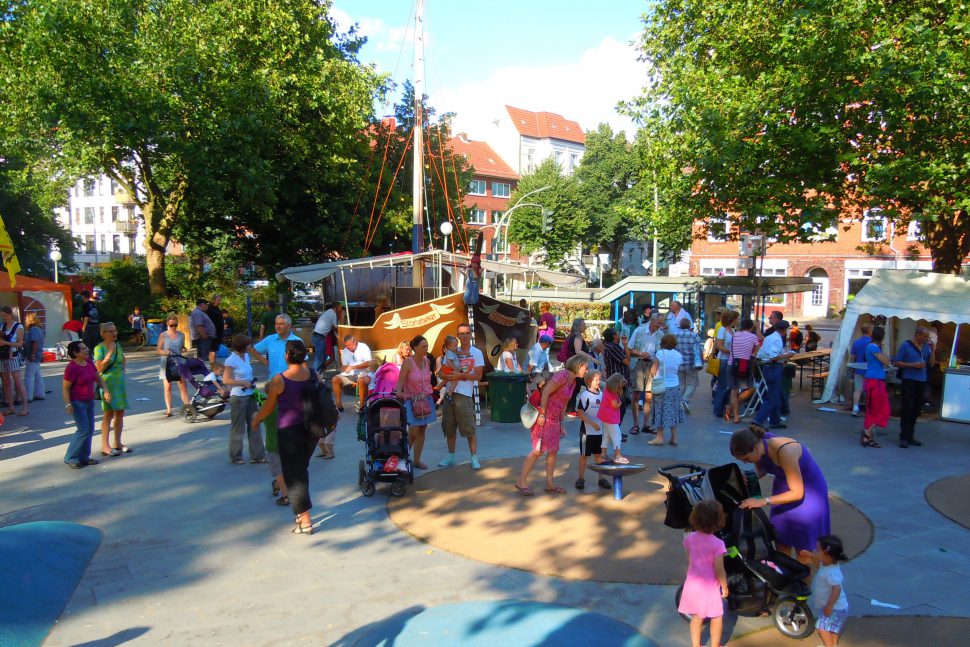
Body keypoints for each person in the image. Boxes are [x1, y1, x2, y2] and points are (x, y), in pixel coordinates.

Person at [732, 424, 831, 561]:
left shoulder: (785, 451)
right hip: (783, 486)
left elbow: (797, 493)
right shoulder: (758, 445)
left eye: (746, 459)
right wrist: (749, 477)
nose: (745, 463)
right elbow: (761, 470)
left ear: (754, 448)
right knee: (781, 539)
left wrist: (762, 501)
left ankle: (802, 581)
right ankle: (785, 577)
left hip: (808, 492)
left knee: (802, 551)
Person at [252, 340, 317, 536]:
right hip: (311, 431)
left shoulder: (280, 380)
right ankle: (301, 513)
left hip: (290, 432)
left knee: (294, 477)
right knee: (300, 470)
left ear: (287, 356)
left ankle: (305, 520)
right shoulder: (313, 375)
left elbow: (269, 406)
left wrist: (256, 419)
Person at [515, 353, 589, 495]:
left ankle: (550, 484)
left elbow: (564, 403)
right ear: (579, 366)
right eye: (585, 367)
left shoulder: (573, 382)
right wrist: (542, 414)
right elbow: (546, 393)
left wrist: (561, 423)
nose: (586, 370)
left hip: (554, 419)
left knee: (553, 451)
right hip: (544, 417)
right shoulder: (562, 376)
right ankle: (521, 481)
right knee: (538, 450)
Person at [251, 313, 304, 504]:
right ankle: (283, 480)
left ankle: (284, 486)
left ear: (289, 325)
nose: (278, 326)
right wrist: (266, 363)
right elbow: (253, 349)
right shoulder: (270, 340)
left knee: (278, 432)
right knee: (277, 423)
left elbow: (302, 364)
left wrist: (257, 419)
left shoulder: (296, 341)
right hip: (273, 384)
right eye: (276, 323)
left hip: (290, 385)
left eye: (281, 323)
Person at [677, 499, 729, 647]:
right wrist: (724, 586)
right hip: (710, 586)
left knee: (697, 618)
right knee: (717, 616)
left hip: (692, 583)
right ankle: (715, 645)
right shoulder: (718, 544)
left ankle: (696, 645)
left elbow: (690, 559)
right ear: (718, 520)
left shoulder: (689, 539)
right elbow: (719, 569)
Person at [438, 323, 485, 470]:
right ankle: (450, 456)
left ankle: (474, 457)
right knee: (449, 427)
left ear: (470, 334)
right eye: (461, 333)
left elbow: (478, 376)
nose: (464, 336)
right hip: (449, 394)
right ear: (457, 336)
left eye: (466, 333)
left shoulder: (476, 353)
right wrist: (444, 375)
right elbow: (440, 372)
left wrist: (459, 375)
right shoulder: (452, 351)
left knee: (469, 428)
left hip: (464, 395)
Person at [62, 340, 109, 468]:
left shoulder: (88, 363)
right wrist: (68, 404)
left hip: (89, 401)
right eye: (83, 349)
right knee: (83, 430)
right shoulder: (71, 368)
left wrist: (105, 390)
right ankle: (70, 457)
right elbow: (66, 388)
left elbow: (97, 377)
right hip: (77, 402)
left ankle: (83, 457)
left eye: (86, 347)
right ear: (75, 353)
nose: (87, 350)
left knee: (90, 430)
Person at [223, 333, 267, 464]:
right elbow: (226, 379)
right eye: (248, 345)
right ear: (241, 347)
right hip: (238, 396)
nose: (250, 347)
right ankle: (236, 456)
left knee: (255, 424)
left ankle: (257, 455)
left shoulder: (246, 356)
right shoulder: (231, 360)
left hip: (250, 394)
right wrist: (242, 383)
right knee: (238, 427)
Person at [395, 335, 435, 470]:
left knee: (422, 429)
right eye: (423, 346)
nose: (426, 348)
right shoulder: (408, 363)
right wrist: (398, 392)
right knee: (412, 432)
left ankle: (416, 460)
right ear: (415, 348)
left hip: (425, 399)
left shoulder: (427, 361)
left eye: (427, 346)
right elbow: (400, 381)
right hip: (411, 400)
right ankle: (402, 458)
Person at [892, 326, 932, 449]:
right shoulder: (906, 346)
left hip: (921, 380)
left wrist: (933, 349)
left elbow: (931, 363)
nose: (926, 339)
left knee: (915, 409)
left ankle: (910, 435)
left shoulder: (926, 348)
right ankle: (903, 436)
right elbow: (896, 362)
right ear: (917, 335)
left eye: (927, 337)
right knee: (907, 409)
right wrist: (912, 365)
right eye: (924, 336)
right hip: (909, 380)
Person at [94, 322, 130, 456]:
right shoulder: (99, 348)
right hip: (107, 383)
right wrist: (109, 353)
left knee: (120, 412)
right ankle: (105, 445)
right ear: (103, 334)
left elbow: (122, 358)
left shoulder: (118, 345)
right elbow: (99, 369)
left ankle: (118, 443)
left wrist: (123, 368)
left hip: (119, 384)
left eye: (115, 330)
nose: (114, 333)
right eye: (110, 331)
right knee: (108, 414)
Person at [809, 535, 850, 647]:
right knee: (832, 629)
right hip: (838, 607)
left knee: (822, 629)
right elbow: (819, 566)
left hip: (834, 608)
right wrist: (811, 556)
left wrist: (829, 605)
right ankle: (833, 645)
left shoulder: (831, 573)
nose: (815, 552)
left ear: (826, 555)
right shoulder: (827, 564)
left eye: (817, 550)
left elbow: (837, 588)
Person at [753, 319, 793, 429]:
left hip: (768, 367)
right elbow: (773, 356)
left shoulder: (770, 337)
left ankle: (775, 421)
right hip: (774, 368)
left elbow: (762, 353)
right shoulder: (777, 339)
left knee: (773, 395)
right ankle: (758, 421)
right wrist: (787, 356)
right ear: (785, 330)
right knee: (772, 397)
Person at [574, 370, 610, 490]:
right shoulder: (585, 396)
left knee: (599, 455)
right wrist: (592, 424)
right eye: (596, 380)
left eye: (599, 379)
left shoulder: (601, 394)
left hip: (599, 431)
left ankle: (601, 478)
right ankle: (581, 478)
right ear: (589, 381)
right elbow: (580, 413)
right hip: (587, 431)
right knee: (584, 455)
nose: (599, 382)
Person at [629, 314, 663, 435]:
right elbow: (629, 348)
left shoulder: (660, 334)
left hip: (652, 364)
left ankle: (646, 424)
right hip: (639, 363)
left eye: (661, 323)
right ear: (652, 320)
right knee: (636, 395)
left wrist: (656, 365)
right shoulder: (639, 331)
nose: (660, 326)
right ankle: (636, 424)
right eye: (658, 323)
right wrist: (640, 353)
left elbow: (662, 352)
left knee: (649, 396)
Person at [648, 333, 685, 446]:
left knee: (660, 410)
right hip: (675, 385)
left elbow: (653, 371)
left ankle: (659, 437)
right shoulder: (678, 355)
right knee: (673, 410)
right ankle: (674, 437)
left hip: (662, 386)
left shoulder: (660, 353)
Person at [861, 326, 891, 448]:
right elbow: (887, 362)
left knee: (872, 410)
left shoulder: (873, 347)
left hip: (872, 380)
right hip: (876, 381)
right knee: (883, 410)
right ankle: (867, 432)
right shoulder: (873, 347)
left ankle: (868, 438)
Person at [157, 314, 190, 418]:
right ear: (167, 324)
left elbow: (181, 348)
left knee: (183, 387)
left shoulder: (181, 335)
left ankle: (188, 407)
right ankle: (169, 409)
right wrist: (165, 352)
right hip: (166, 363)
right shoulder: (163, 335)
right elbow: (158, 350)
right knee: (168, 387)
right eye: (171, 325)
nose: (173, 327)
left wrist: (183, 349)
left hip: (178, 362)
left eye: (175, 325)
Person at [331, 334, 372, 412]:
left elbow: (369, 363)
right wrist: (344, 369)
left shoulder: (363, 347)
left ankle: (362, 405)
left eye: (349, 345)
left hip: (364, 373)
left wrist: (354, 367)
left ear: (355, 342)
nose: (348, 347)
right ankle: (338, 404)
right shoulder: (346, 350)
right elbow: (345, 365)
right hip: (351, 374)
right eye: (346, 345)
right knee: (335, 379)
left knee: (361, 380)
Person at [729, 319, 760, 422]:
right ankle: (731, 408)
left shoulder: (735, 335)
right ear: (751, 327)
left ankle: (736, 415)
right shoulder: (753, 337)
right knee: (750, 388)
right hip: (745, 365)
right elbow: (756, 349)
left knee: (734, 390)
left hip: (733, 363)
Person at [711, 310, 738, 422]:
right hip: (724, 360)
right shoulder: (723, 330)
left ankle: (724, 408)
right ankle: (718, 409)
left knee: (727, 386)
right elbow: (719, 345)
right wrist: (732, 351)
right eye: (737, 318)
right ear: (732, 319)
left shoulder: (732, 330)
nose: (738, 321)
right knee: (722, 385)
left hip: (730, 360)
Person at [0, 306, 27, 417]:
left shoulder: (18, 326)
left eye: (5, 316)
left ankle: (25, 407)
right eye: (2, 316)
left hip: (14, 357)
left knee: (18, 382)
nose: (3, 318)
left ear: (10, 314)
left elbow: (20, 344)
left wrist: (5, 343)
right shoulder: (2, 326)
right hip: (3, 357)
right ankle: (11, 407)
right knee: (6, 383)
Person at [601, 327, 632, 424]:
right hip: (617, 383)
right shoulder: (612, 348)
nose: (620, 335)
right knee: (619, 407)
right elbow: (627, 361)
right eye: (618, 333)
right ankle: (615, 430)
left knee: (621, 406)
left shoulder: (615, 346)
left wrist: (625, 345)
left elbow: (628, 358)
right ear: (614, 336)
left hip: (620, 382)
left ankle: (616, 430)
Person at [674, 317, 702, 414]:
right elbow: (698, 350)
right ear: (690, 326)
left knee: (681, 384)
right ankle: (685, 400)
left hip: (679, 363)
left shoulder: (675, 335)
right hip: (691, 363)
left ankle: (679, 403)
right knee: (691, 383)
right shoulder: (694, 336)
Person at [598, 372, 628, 464]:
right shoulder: (612, 393)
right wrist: (620, 403)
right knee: (617, 436)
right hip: (610, 418)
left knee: (606, 436)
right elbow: (615, 406)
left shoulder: (608, 390)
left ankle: (603, 455)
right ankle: (618, 456)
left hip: (605, 417)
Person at [849, 323, 873, 417]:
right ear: (870, 331)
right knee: (869, 390)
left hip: (858, 368)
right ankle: (869, 409)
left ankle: (855, 408)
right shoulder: (873, 343)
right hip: (870, 369)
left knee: (858, 389)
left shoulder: (856, 342)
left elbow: (853, 357)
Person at [24, 312, 46, 403]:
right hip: (39, 353)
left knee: (29, 376)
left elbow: (34, 342)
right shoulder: (40, 329)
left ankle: (28, 396)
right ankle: (39, 393)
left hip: (33, 354)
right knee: (37, 375)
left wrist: (32, 353)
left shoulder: (33, 330)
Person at [312, 302, 340, 373]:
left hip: (318, 336)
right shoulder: (333, 314)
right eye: (340, 307)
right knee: (319, 358)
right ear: (336, 307)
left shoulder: (328, 312)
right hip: (319, 337)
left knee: (322, 357)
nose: (340, 309)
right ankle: (314, 376)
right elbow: (337, 327)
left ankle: (318, 375)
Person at [436, 335, 463, 403]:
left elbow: (458, 353)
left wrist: (465, 353)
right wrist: (455, 369)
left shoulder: (452, 351)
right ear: (448, 346)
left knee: (445, 380)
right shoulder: (450, 352)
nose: (456, 347)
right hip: (448, 368)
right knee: (455, 380)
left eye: (457, 345)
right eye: (455, 346)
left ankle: (437, 390)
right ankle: (449, 394)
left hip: (447, 368)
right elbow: (449, 362)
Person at [189, 299, 216, 366]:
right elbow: (199, 326)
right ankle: (203, 371)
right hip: (203, 339)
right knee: (204, 357)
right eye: (206, 304)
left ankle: (202, 370)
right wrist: (205, 336)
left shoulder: (199, 312)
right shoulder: (198, 313)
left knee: (202, 356)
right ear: (202, 304)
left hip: (202, 338)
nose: (207, 306)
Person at [207, 294, 225, 362]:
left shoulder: (217, 308)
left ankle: (214, 364)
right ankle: (212, 365)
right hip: (213, 332)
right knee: (212, 351)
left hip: (219, 332)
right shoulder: (209, 309)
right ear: (213, 300)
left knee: (215, 350)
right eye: (218, 300)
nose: (219, 302)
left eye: (220, 300)